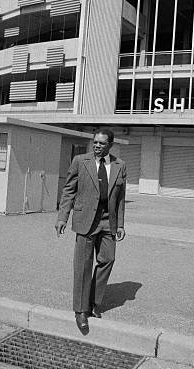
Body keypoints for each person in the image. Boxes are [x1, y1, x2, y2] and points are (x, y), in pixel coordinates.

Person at [55, 129, 127, 332]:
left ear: (110, 145)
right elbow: (69, 190)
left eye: (102, 143)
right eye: (95, 142)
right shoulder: (80, 161)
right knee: (83, 266)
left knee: (108, 259)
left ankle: (93, 301)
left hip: (107, 221)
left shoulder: (120, 165)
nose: (97, 146)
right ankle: (81, 311)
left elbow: (121, 198)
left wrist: (120, 224)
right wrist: (62, 217)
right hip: (85, 220)